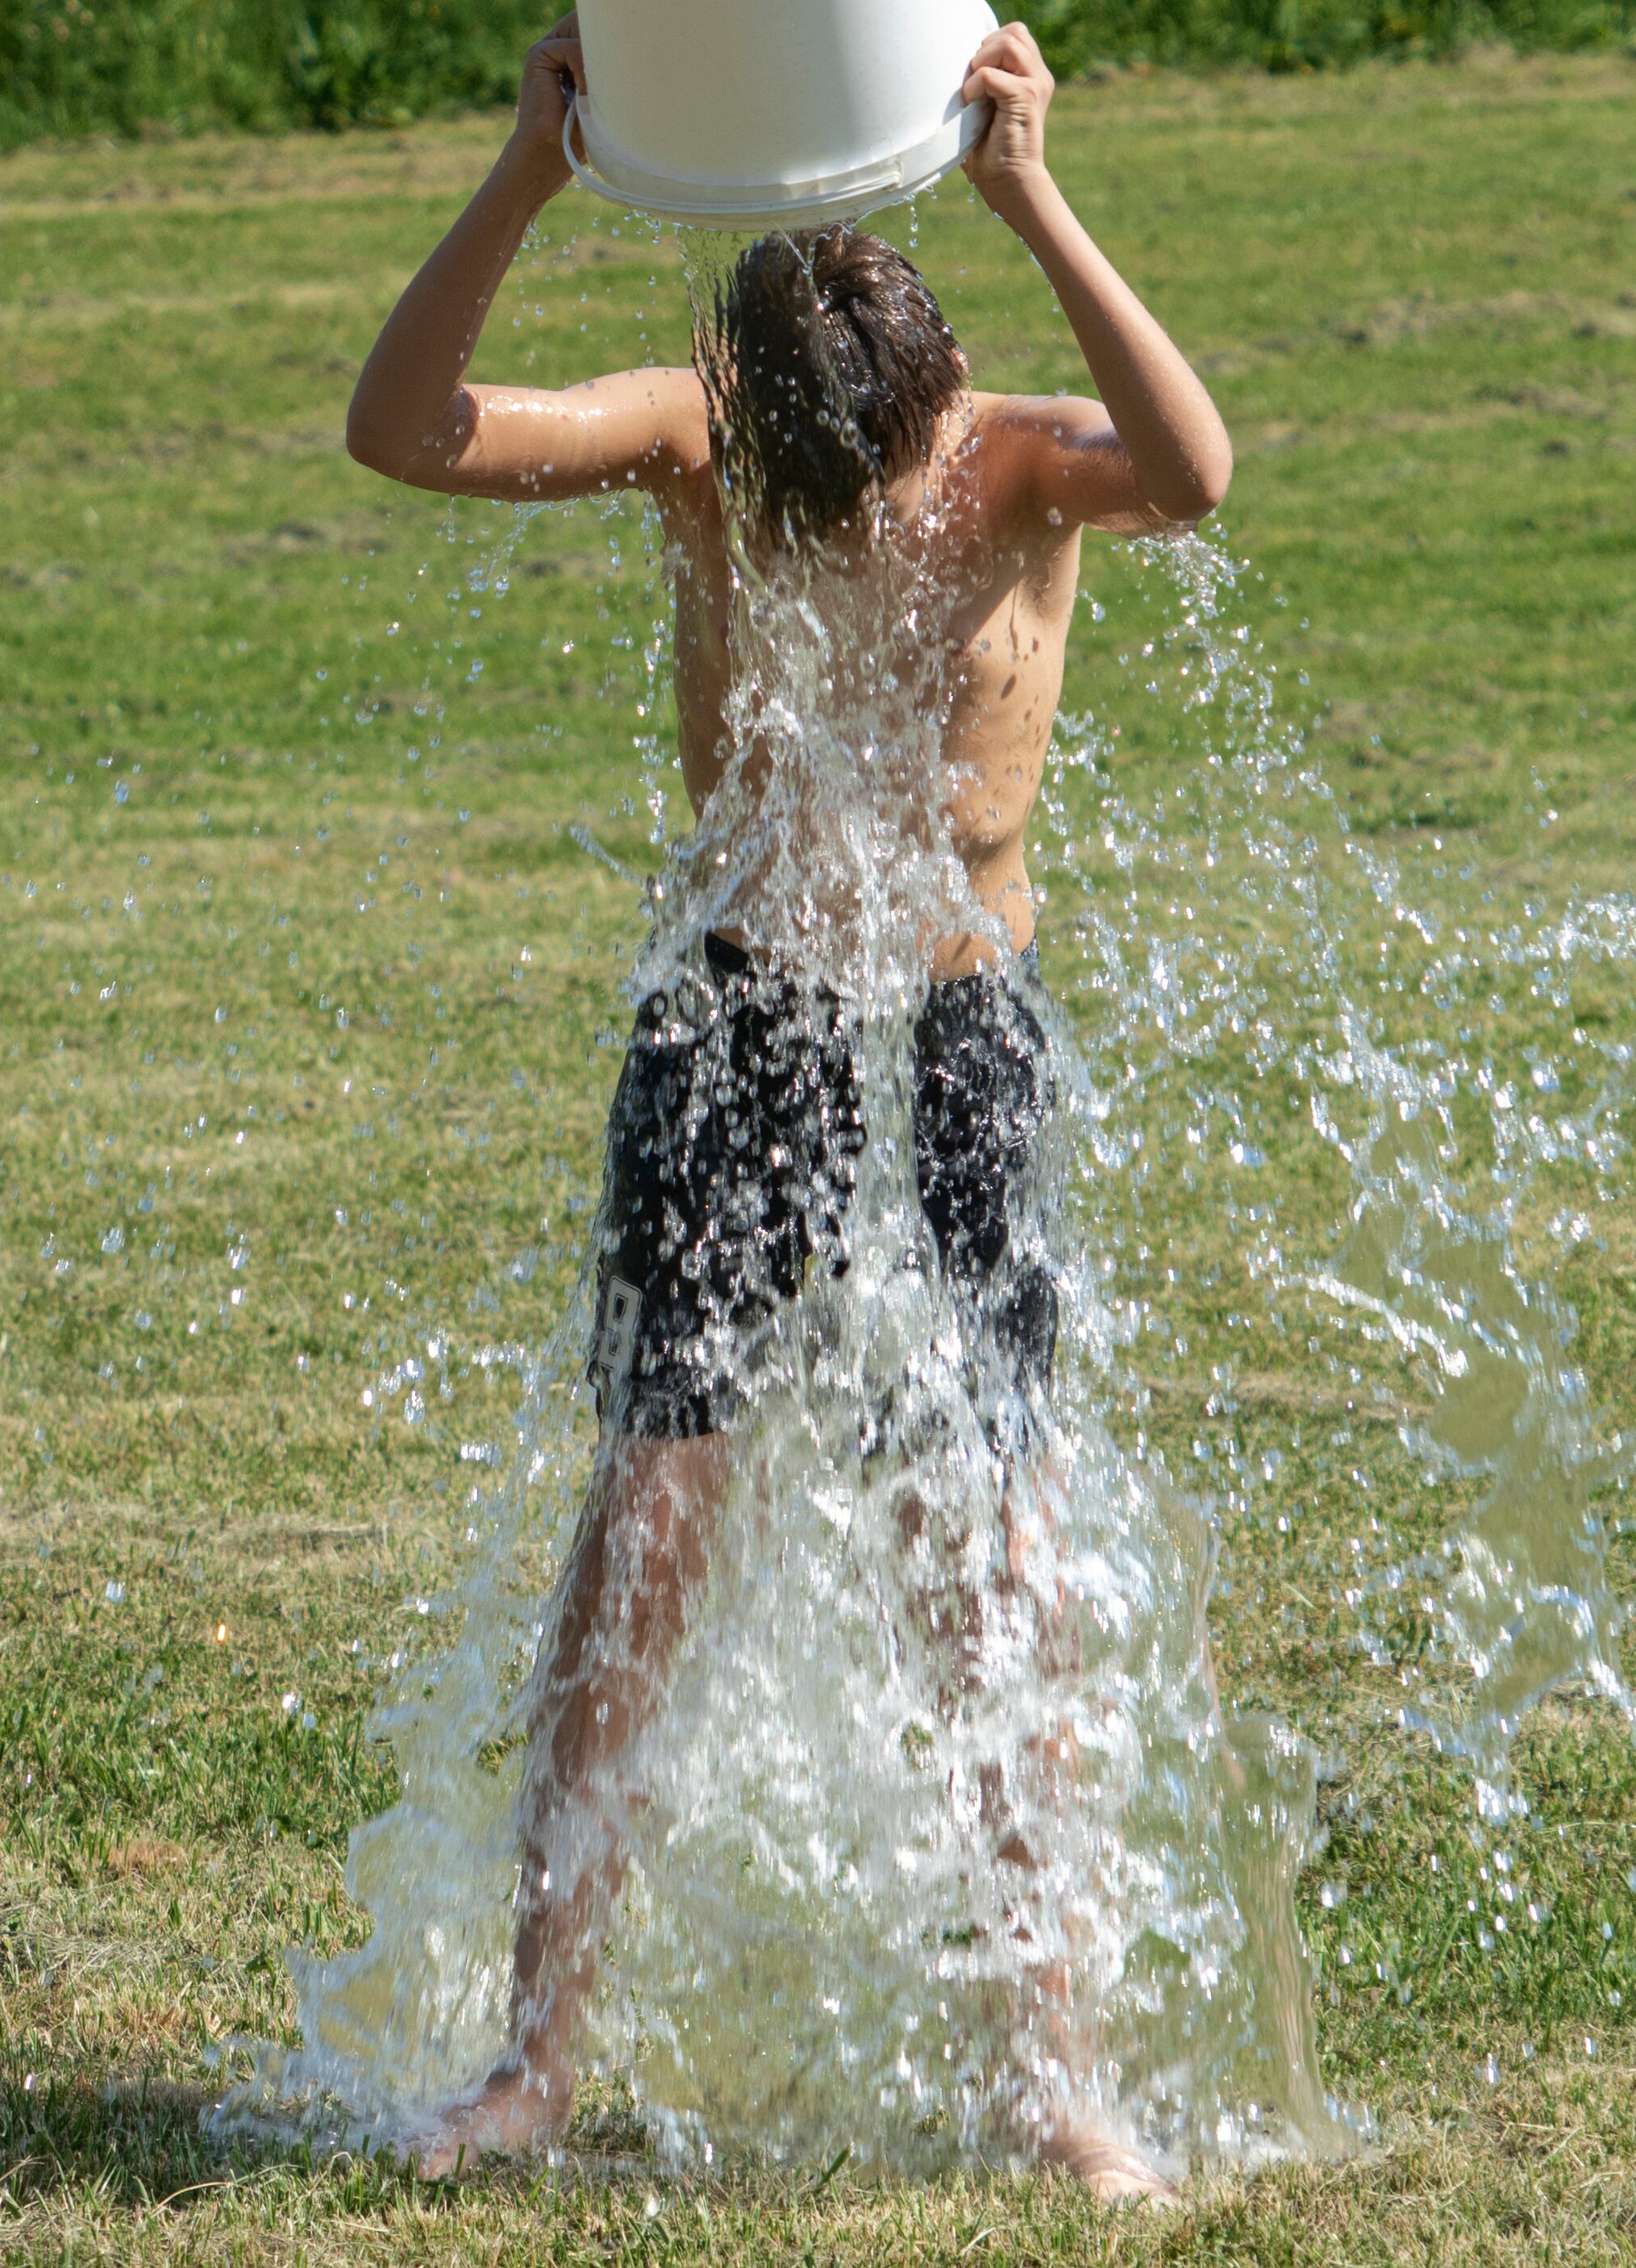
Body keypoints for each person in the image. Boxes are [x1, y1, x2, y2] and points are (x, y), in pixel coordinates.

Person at [339, 15, 1234, 2203]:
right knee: (651, 1505)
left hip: (960, 1028)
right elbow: (404, 429)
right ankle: (535, 2055)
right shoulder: (691, 437)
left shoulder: (1019, 456)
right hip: (739, 1021)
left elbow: (1197, 465)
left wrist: (1031, 190)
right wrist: (531, 176)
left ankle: (1058, 2069)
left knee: (985, 1533)